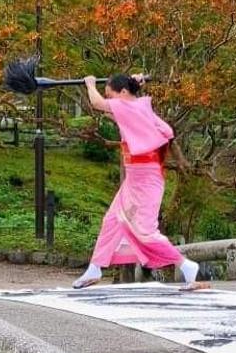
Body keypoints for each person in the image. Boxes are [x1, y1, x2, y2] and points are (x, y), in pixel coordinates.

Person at [73, 73, 208, 291]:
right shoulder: (140, 107)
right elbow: (167, 131)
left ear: (124, 93)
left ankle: (186, 266)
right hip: (137, 178)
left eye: (112, 95)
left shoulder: (128, 107)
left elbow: (97, 103)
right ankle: (95, 267)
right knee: (112, 220)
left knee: (145, 232)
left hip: (145, 180)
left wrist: (89, 83)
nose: (110, 101)